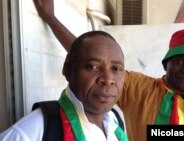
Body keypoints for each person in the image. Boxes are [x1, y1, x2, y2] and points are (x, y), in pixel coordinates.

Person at [33, 0, 184, 141]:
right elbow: (87, 54)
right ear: (166, 64)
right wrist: (51, 18)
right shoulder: (139, 87)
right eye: (180, 61)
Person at [0, 31, 129, 141]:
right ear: (67, 70)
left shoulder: (114, 121)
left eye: (116, 69)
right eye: (92, 67)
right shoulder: (36, 128)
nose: (107, 79)